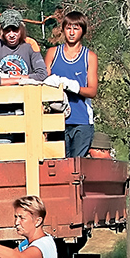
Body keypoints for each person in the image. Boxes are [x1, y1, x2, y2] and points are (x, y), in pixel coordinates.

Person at [45, 11, 98, 158]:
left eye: (76, 28)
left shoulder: (90, 57)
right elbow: (43, 82)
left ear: (83, 31)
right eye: (69, 28)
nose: (72, 33)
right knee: (58, 167)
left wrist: (72, 86)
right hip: (56, 120)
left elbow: (92, 91)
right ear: (63, 30)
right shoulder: (53, 53)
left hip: (82, 121)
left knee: (76, 169)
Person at [0, 10, 48, 87]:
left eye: (15, 30)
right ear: (2, 30)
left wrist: (7, 77)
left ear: (21, 29)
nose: (12, 35)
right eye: (7, 31)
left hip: (26, 92)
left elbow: (42, 75)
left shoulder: (30, 44)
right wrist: (17, 80)